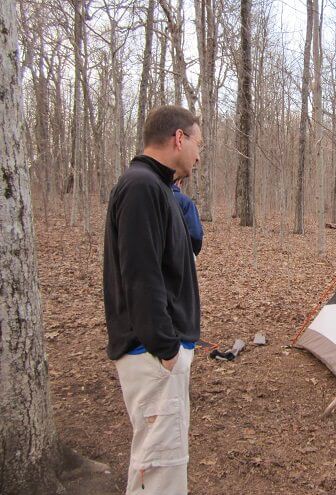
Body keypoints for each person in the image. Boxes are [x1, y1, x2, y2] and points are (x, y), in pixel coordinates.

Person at [103, 105, 203, 494]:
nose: (198, 154)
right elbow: (140, 277)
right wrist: (166, 348)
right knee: (161, 466)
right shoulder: (142, 187)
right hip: (152, 354)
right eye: (198, 143)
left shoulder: (157, 187)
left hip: (158, 351)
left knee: (157, 462)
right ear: (179, 138)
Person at [171, 178, 204, 256]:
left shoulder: (152, 197)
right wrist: (193, 253)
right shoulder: (185, 202)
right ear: (178, 182)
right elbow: (196, 234)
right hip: (180, 254)